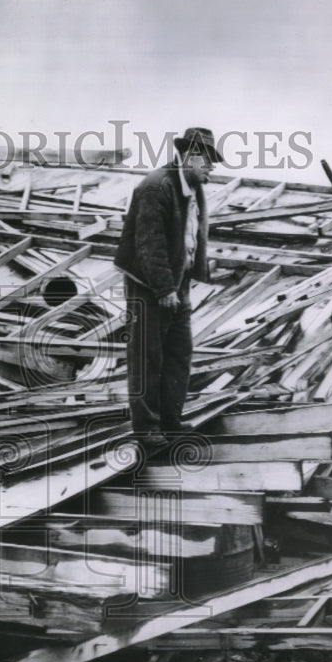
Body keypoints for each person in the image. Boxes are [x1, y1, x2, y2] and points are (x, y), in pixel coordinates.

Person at [114, 127, 223, 446]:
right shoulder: (156, 187)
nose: (211, 168)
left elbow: (190, 237)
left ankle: (171, 421)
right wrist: (164, 290)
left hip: (178, 280)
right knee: (147, 353)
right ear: (190, 156)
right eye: (207, 160)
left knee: (179, 353)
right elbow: (150, 244)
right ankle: (147, 428)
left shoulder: (192, 189)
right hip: (148, 283)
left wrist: (185, 281)